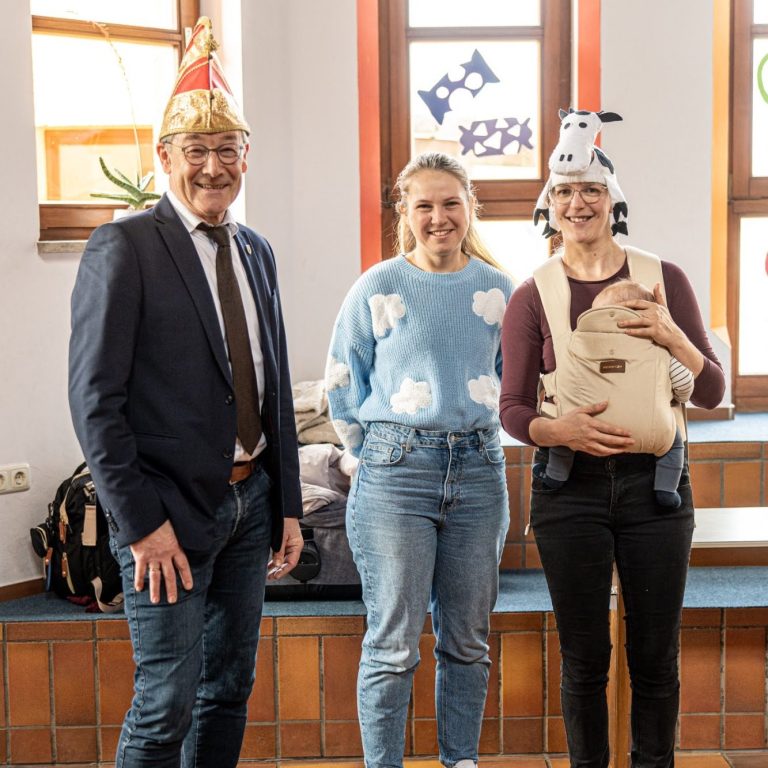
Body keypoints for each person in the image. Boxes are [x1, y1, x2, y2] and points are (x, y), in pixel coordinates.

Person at [68, 17, 303, 768]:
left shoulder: (256, 251)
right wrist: (141, 527)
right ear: (164, 157)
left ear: (246, 158)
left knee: (228, 688)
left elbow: (272, 385)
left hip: (250, 504)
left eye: (226, 149)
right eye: (195, 150)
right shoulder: (125, 247)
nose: (212, 166)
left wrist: (287, 505)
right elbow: (95, 402)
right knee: (165, 700)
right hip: (166, 513)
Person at [499, 109, 725, 768]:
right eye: (565, 192)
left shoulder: (664, 278)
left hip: (657, 491)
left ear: (613, 199)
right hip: (568, 490)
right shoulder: (532, 295)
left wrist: (672, 335)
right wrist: (557, 429)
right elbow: (513, 408)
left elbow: (711, 391)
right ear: (549, 205)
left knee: (655, 658)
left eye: (591, 190)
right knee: (584, 660)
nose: (578, 203)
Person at [326, 152, 513, 768]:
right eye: (424, 205)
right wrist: (367, 455)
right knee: (393, 645)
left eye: (451, 203)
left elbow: (514, 382)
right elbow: (342, 379)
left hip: (480, 471)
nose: (439, 217)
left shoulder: (499, 290)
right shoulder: (377, 286)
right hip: (395, 473)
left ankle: (461, 760)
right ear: (404, 213)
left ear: (470, 208)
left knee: (468, 642)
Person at [539, 278, 694, 509]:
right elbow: (684, 388)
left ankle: (555, 474)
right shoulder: (660, 350)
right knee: (674, 443)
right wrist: (673, 394)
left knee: (564, 428)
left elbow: (560, 383)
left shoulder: (578, 346)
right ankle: (665, 489)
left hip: (587, 426)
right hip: (650, 430)